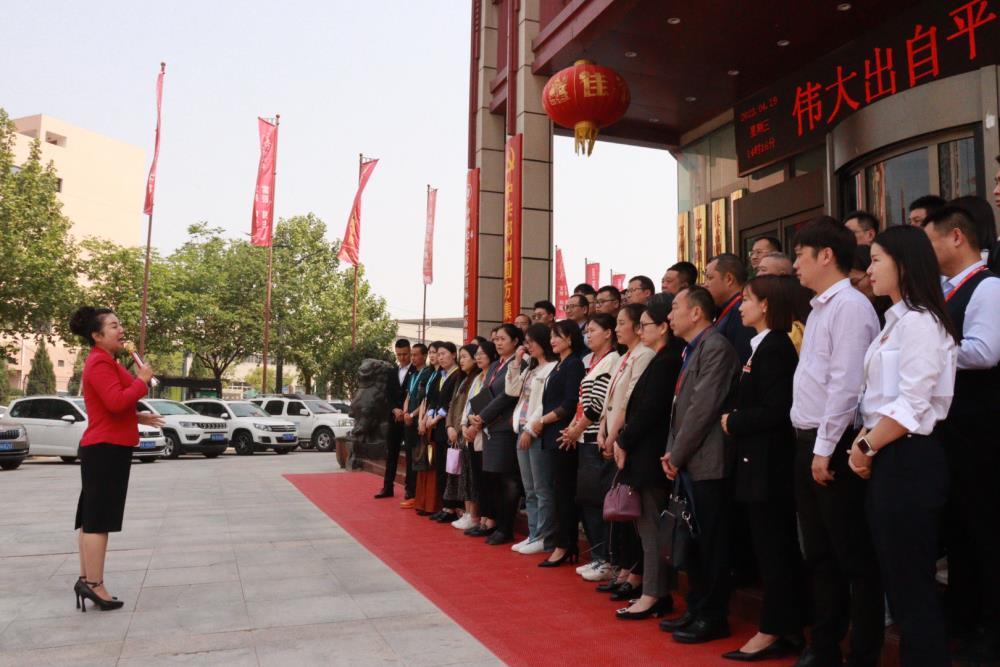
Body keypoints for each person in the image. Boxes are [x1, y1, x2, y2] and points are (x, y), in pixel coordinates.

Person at [846, 225, 958, 666]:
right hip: (889, 454)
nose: (869, 269)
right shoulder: (895, 322)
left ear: (905, 263)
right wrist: (866, 442)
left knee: (912, 587)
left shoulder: (922, 323)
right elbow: (883, 400)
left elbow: (912, 404)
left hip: (910, 458)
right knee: (899, 583)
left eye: (876, 259)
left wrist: (866, 447)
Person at [790, 217, 883, 667]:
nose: (795, 265)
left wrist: (824, 448)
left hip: (835, 441)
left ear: (826, 255)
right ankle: (824, 646)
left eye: (800, 256)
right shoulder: (819, 308)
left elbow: (845, 385)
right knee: (820, 553)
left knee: (852, 555)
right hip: (809, 440)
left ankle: (863, 653)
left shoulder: (850, 306)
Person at [924, 205, 1000, 662]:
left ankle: (991, 627)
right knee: (958, 530)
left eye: (931, 241)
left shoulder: (988, 287)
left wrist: (929, 351)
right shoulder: (944, 290)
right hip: (951, 433)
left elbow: (985, 352)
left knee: (985, 529)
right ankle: (965, 615)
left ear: (956, 237)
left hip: (982, 433)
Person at [719, 276, 806, 661]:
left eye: (747, 300)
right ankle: (786, 625)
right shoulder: (762, 346)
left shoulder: (775, 347)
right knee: (770, 548)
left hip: (769, 465)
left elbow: (776, 410)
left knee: (775, 550)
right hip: (757, 463)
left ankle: (774, 628)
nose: (741, 307)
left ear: (766, 304)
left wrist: (733, 421)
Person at [661, 286, 741, 644]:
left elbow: (703, 409)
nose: (669, 315)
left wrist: (676, 455)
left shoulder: (716, 348)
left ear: (696, 313)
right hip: (687, 459)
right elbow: (679, 408)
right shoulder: (692, 349)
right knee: (692, 539)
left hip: (708, 461)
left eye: (675, 307)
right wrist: (672, 453)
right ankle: (696, 607)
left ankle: (713, 616)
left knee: (712, 541)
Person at [69, 306, 163, 611]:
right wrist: (142, 380)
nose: (121, 330)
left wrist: (138, 416)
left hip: (105, 446)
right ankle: (94, 585)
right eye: (113, 326)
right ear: (97, 335)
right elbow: (115, 402)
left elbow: (115, 404)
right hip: (106, 448)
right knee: (99, 521)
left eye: (119, 324)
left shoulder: (107, 361)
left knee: (91, 518)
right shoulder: (99, 362)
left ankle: (87, 579)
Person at [612, 301, 684, 621]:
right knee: (647, 527)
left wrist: (623, 440)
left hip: (650, 456)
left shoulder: (667, 361)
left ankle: (653, 594)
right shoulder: (660, 358)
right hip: (645, 454)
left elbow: (651, 409)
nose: (640, 331)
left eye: (644, 325)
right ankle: (656, 592)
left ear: (663, 327)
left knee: (652, 528)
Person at [597, 303, 655, 599]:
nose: (617, 328)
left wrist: (613, 436)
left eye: (622, 323)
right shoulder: (625, 356)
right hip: (613, 435)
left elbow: (629, 402)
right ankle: (624, 567)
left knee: (631, 509)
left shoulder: (644, 355)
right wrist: (602, 430)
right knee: (621, 509)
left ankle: (635, 572)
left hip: (626, 439)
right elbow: (611, 400)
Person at [558, 314, 620, 581]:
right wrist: (573, 427)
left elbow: (597, 405)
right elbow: (582, 403)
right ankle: (597, 557)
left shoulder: (611, 360)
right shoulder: (592, 362)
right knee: (587, 501)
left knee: (597, 501)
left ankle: (605, 559)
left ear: (608, 333)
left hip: (596, 439)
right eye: (588, 331)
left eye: (593, 330)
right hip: (584, 438)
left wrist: (577, 428)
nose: (588, 335)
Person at [533, 321, 586, 568]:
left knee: (564, 494)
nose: (552, 340)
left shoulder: (574, 364)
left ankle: (565, 545)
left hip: (564, 435)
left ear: (571, 338)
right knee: (557, 491)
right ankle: (563, 544)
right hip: (552, 434)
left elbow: (570, 402)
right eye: (552, 336)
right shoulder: (559, 364)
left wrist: (543, 420)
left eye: (558, 336)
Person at [470, 324, 525, 545]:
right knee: (493, 479)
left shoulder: (519, 363)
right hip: (489, 427)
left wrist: (482, 416)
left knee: (508, 479)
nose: (498, 343)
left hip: (505, 427)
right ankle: (494, 523)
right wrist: (476, 417)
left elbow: (507, 396)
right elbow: (486, 393)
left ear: (516, 341)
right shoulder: (495, 365)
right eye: (496, 339)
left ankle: (505, 527)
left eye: (503, 339)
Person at [507, 324, 558, 555]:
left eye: (531, 342)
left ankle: (544, 536)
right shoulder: (531, 368)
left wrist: (530, 429)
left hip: (536, 431)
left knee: (541, 487)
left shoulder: (553, 368)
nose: (528, 346)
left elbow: (545, 404)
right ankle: (533, 533)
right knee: (529, 488)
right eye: (526, 343)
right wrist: (517, 362)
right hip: (521, 428)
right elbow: (512, 390)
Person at [462, 340, 499, 537]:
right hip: (471, 431)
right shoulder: (477, 378)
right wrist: (464, 425)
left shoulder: (492, 377)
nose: (478, 357)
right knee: (477, 478)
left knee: (487, 479)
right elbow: (469, 405)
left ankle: (489, 519)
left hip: (484, 432)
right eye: (476, 354)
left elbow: (488, 406)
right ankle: (483, 518)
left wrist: (475, 424)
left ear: (492, 356)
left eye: (482, 354)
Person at [444, 343, 482, 530]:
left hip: (466, 432)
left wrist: (460, 428)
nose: (461, 360)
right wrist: (449, 426)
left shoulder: (477, 378)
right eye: (461, 356)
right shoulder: (462, 379)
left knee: (469, 476)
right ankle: (466, 512)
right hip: (456, 431)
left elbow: (468, 408)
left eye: (465, 356)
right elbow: (452, 405)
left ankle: (472, 514)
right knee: (462, 475)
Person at [425, 342, 463, 524]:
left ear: (454, 355)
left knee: (451, 468)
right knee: (441, 466)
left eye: (443, 354)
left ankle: (452, 507)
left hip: (449, 425)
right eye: (438, 354)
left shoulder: (457, 375)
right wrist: (429, 415)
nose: (440, 357)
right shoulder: (440, 375)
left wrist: (436, 418)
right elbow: (434, 400)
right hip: (437, 427)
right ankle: (444, 505)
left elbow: (451, 403)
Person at [376, 339, 416, 499]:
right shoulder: (392, 372)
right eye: (399, 355)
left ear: (410, 352)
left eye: (405, 354)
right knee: (391, 453)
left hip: (409, 418)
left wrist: (405, 411)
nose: (402, 358)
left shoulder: (416, 370)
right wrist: (394, 409)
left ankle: (409, 489)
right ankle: (387, 487)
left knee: (410, 456)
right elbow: (387, 394)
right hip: (394, 418)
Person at [704, 253, 755, 363]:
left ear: (729, 279)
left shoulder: (741, 311)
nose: (705, 284)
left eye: (709, 278)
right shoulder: (727, 309)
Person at [400, 343, 431, 509]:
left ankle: (415, 493)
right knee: (409, 456)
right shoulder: (412, 375)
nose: (412, 358)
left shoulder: (428, 374)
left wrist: (412, 415)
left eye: (415, 355)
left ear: (424, 356)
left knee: (417, 456)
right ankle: (409, 490)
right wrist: (406, 412)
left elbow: (425, 400)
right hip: (408, 420)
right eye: (411, 355)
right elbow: (408, 395)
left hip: (418, 420)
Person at [413, 342, 442, 516]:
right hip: (425, 419)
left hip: (434, 422)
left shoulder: (442, 375)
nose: (432, 356)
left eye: (436, 352)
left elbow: (436, 402)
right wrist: (420, 420)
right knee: (424, 462)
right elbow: (425, 400)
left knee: (432, 463)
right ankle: (422, 502)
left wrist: (425, 420)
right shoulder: (431, 373)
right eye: (430, 352)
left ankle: (432, 505)